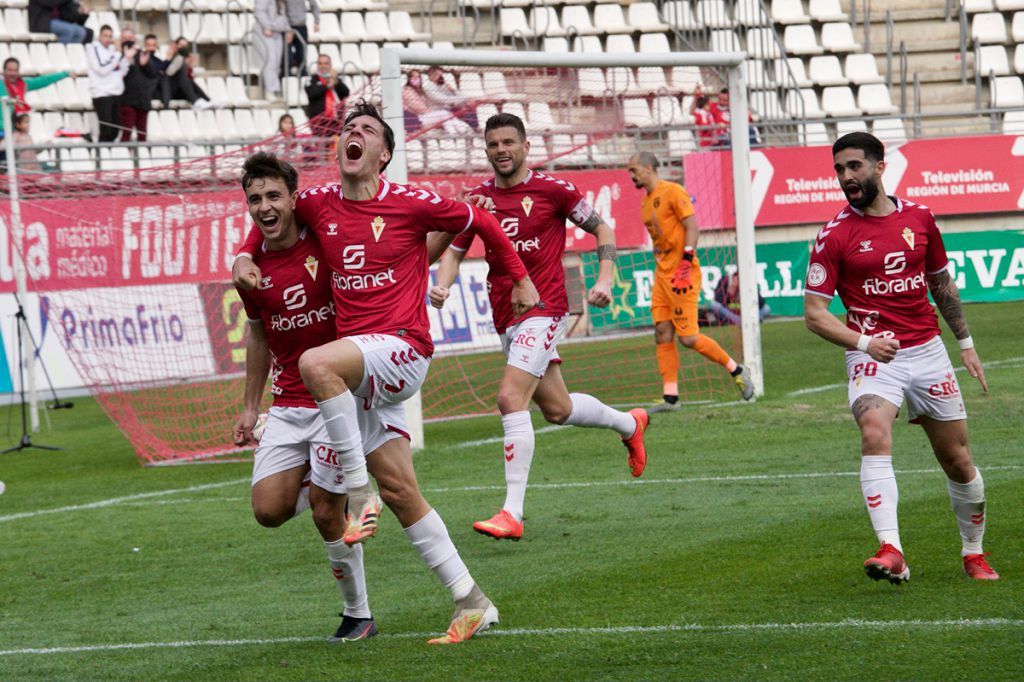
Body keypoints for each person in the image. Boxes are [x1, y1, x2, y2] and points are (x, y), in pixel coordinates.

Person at [232, 101, 540, 644]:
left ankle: (356, 491)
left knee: (315, 364)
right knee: (399, 489)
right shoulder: (319, 204)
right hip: (358, 380)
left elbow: (480, 221)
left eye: (367, 130)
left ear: (385, 153)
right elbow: (267, 216)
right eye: (348, 128)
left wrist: (518, 277)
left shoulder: (410, 201)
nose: (354, 134)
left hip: (399, 350)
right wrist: (241, 254)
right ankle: (472, 600)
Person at [429, 112, 649, 541]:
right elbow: (454, 251)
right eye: (493, 145)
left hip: (546, 308)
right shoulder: (478, 199)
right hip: (504, 314)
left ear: (526, 146)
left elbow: (601, 227)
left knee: (510, 398)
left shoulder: (555, 190)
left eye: (509, 142)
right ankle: (630, 424)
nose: (501, 151)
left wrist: (604, 278)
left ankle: (512, 513)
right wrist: (442, 286)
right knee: (557, 409)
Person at [804, 132, 998, 583]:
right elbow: (815, 314)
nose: (846, 177)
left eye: (854, 166)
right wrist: (862, 343)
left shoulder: (921, 218)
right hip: (873, 354)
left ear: (879, 166)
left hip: (929, 352)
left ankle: (974, 552)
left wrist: (965, 344)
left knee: (958, 459)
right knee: (874, 432)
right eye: (839, 170)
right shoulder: (834, 235)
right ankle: (892, 549)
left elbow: (941, 285)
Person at [232, 151, 377, 642]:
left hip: (335, 400)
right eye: (255, 199)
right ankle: (323, 481)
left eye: (274, 195)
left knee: (323, 511)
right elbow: (257, 334)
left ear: (294, 199)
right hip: (288, 404)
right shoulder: (250, 273)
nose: (265, 207)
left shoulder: (327, 244)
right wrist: (251, 406)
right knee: (268, 512)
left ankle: (358, 613)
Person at [626, 152, 754, 409]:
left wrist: (686, 260)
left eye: (634, 170)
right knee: (662, 331)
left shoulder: (673, 191)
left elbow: (693, 226)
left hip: (682, 273)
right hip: (662, 275)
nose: (631, 176)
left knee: (689, 338)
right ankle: (671, 397)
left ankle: (737, 369)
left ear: (649, 168)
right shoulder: (645, 202)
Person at [0, 57, 73, 139]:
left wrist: (64, 74)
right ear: (4, 71)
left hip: (14, 131)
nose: (13, 73)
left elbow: (44, 81)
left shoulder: (23, 84)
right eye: (10, 70)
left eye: (15, 70)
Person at [87, 25, 132, 143]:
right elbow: (102, 69)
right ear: (99, 36)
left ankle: (109, 153)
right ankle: (101, 155)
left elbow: (122, 72)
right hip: (102, 94)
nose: (108, 39)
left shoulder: (113, 51)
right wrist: (117, 55)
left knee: (115, 130)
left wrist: (126, 59)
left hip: (116, 93)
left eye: (110, 36)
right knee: (106, 129)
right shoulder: (94, 49)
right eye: (105, 36)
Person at [118, 28, 161, 142]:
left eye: (130, 38)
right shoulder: (116, 55)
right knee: (126, 132)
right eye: (125, 38)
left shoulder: (142, 54)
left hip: (143, 101)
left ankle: (142, 158)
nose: (128, 41)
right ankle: (123, 156)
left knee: (142, 134)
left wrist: (145, 64)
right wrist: (126, 58)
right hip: (127, 101)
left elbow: (153, 74)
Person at [402, 69, 471, 136]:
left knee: (446, 116)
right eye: (414, 77)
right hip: (418, 118)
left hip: (426, 115)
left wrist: (452, 90)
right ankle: (462, 130)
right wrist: (430, 111)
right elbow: (418, 107)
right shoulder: (407, 91)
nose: (416, 79)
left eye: (418, 77)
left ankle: (456, 132)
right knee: (444, 114)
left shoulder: (420, 91)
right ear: (409, 79)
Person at [254, 0, 293, 101]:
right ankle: (269, 90)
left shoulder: (281, 2)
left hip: (277, 32)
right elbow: (259, 11)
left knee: (277, 62)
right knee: (270, 60)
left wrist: (288, 29)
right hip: (263, 31)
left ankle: (275, 90)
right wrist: (266, 26)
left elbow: (283, 16)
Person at [305, 53, 349, 138]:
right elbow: (311, 93)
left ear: (330, 65)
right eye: (320, 63)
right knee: (322, 150)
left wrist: (336, 82)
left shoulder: (335, 79)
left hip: (336, 122)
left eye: (326, 63)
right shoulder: (312, 79)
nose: (323, 66)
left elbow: (346, 93)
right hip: (319, 124)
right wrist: (326, 86)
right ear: (317, 65)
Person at [422, 65, 478, 131]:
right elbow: (444, 100)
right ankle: (473, 129)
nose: (440, 77)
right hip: (438, 112)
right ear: (430, 76)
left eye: (441, 75)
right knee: (463, 108)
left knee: (469, 105)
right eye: (438, 75)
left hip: (450, 109)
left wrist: (453, 90)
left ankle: (475, 128)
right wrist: (465, 99)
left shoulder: (443, 85)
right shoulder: (428, 87)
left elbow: (456, 97)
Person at [165, 38, 215, 109]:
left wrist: (190, 67)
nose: (183, 47)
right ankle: (198, 100)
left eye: (185, 46)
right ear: (176, 45)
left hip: (181, 90)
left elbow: (188, 80)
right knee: (183, 78)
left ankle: (207, 100)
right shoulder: (173, 56)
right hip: (170, 90)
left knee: (188, 80)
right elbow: (169, 73)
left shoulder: (183, 58)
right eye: (181, 45)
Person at [285, 0, 319, 77]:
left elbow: (314, 4)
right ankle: (287, 80)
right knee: (287, 57)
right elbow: (281, 10)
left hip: (301, 26)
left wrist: (316, 21)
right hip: (287, 27)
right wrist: (287, 28)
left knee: (302, 56)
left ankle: (303, 80)